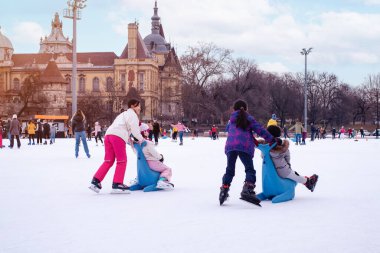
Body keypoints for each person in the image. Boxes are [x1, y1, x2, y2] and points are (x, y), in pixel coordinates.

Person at [219, 99, 278, 206]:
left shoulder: (231, 120)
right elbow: (260, 130)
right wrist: (272, 139)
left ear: (234, 109)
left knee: (230, 170)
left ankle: (224, 189)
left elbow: (228, 129)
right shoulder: (249, 119)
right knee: (249, 169)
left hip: (231, 146)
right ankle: (248, 188)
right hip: (244, 146)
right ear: (246, 109)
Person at [89, 98, 144, 193]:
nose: (139, 108)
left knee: (108, 160)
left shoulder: (122, 114)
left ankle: (96, 181)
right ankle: (117, 183)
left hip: (108, 136)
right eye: (138, 106)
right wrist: (142, 140)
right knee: (122, 160)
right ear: (132, 106)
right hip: (117, 137)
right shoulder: (133, 115)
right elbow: (135, 131)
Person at [265, 125, 319, 191]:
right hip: (281, 170)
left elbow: (263, 156)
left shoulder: (265, 146)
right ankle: (307, 182)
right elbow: (287, 157)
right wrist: (288, 164)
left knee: (293, 173)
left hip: (269, 171)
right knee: (292, 175)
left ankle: (306, 180)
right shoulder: (281, 148)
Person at [137, 123, 174, 189]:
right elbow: (154, 153)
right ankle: (162, 181)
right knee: (167, 169)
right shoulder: (147, 143)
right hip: (151, 162)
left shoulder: (138, 143)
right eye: (148, 131)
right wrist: (160, 157)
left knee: (143, 170)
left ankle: (137, 179)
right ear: (145, 132)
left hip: (143, 163)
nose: (149, 132)